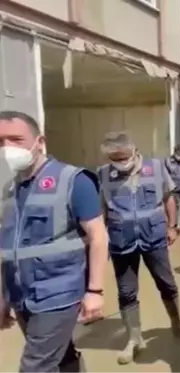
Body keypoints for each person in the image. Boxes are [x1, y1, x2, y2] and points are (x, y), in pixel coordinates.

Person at [0, 110, 109, 372]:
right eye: (1, 141)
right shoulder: (10, 189)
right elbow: (5, 248)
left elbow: (98, 236)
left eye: (16, 139)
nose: (8, 148)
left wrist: (95, 291)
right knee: (61, 356)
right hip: (22, 295)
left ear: (40, 141)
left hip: (59, 293)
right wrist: (3, 297)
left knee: (35, 366)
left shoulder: (73, 180)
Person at [97, 132, 180, 365]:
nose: (119, 162)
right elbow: (102, 209)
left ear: (133, 151)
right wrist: (100, 239)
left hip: (154, 238)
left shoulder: (156, 167)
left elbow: (169, 198)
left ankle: (177, 323)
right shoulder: (102, 174)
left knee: (167, 283)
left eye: (122, 156)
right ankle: (134, 338)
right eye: (113, 157)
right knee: (127, 291)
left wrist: (173, 226)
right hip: (121, 241)